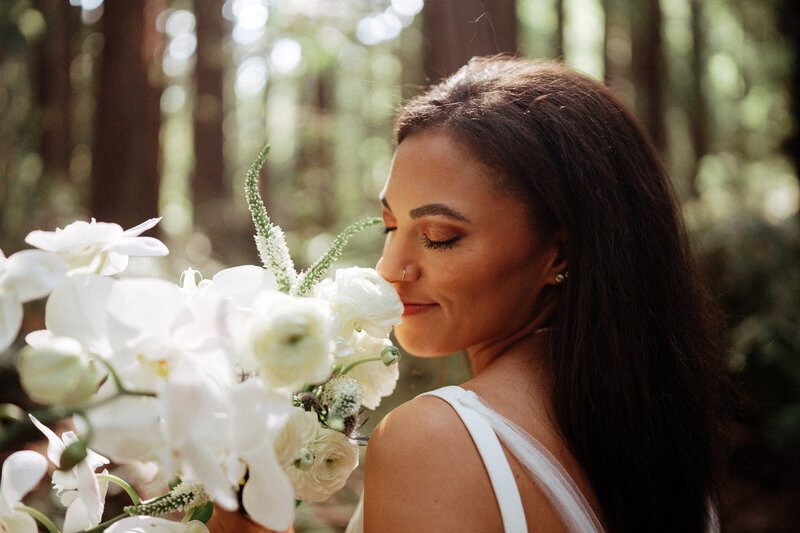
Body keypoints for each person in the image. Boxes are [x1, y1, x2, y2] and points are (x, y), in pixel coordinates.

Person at [218, 56, 726, 532]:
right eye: (389, 227)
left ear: (560, 253)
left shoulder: (435, 440)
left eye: (440, 236)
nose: (388, 269)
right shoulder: (662, 442)